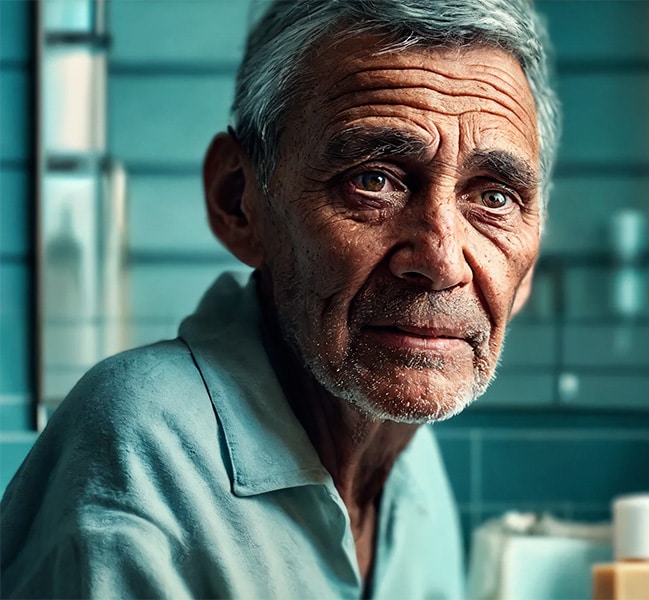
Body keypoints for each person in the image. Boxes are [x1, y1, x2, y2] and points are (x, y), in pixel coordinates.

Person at [0, 0, 560, 597]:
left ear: (525, 268)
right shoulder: (139, 449)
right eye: (374, 180)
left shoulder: (410, 459)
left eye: (495, 197)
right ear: (239, 200)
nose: (443, 261)